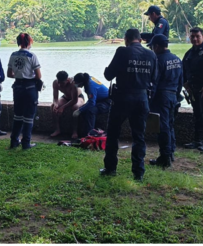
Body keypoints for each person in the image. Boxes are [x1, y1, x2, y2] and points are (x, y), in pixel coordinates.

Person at [100, 29, 157, 181]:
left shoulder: (122, 52)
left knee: (113, 134)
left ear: (127, 39)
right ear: (140, 39)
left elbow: (108, 75)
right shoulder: (151, 54)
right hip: (142, 99)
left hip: (122, 99)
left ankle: (110, 168)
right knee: (139, 136)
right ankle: (138, 173)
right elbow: (155, 77)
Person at [147, 34, 182, 168]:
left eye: (152, 47)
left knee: (162, 128)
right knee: (170, 125)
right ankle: (170, 153)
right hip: (173, 96)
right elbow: (181, 81)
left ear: (156, 46)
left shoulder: (158, 60)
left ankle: (165, 157)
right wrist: (177, 96)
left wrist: (150, 100)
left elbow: (154, 83)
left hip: (162, 97)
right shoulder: (177, 59)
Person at [7, 33, 42, 150]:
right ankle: (26, 143)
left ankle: (14, 141)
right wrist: (28, 76)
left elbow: (9, 74)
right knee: (28, 116)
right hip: (29, 88)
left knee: (17, 115)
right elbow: (38, 76)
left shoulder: (13, 55)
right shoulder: (31, 56)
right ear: (29, 42)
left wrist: (19, 75)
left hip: (17, 87)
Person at [72, 73, 111, 137]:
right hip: (100, 100)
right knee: (84, 111)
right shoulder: (87, 79)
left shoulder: (90, 86)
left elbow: (91, 103)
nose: (76, 84)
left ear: (81, 82)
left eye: (77, 83)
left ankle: (89, 135)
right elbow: (92, 100)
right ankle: (93, 129)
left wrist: (79, 110)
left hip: (107, 102)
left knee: (91, 111)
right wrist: (81, 109)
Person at [50, 71, 85, 139]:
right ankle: (57, 130)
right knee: (53, 107)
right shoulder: (55, 83)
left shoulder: (73, 84)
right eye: (59, 82)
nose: (60, 85)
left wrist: (63, 107)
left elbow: (74, 101)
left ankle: (75, 131)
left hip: (78, 97)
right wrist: (56, 104)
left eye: (62, 83)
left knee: (75, 107)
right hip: (66, 97)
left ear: (67, 80)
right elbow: (55, 98)